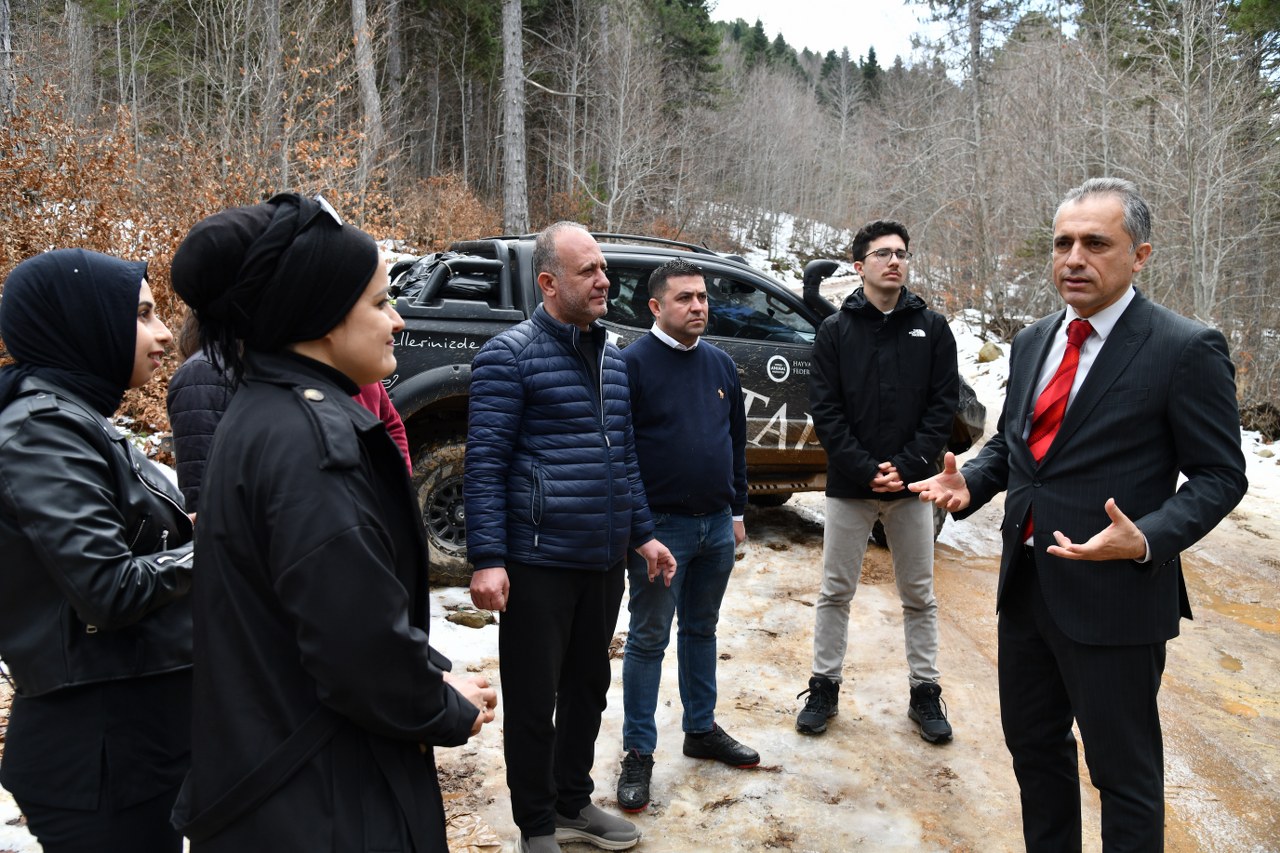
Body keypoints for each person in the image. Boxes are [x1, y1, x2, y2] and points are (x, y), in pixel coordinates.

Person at [910, 177, 1248, 850]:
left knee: (1124, 776)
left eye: (1096, 243)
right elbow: (1016, 447)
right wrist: (969, 483)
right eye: (1063, 242)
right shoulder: (1036, 339)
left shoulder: (1184, 348)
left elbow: (1221, 475)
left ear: (1140, 254)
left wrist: (1147, 537)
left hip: (1116, 600)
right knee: (1035, 754)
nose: (1073, 258)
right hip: (1026, 593)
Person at [167, 193, 497, 851]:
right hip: (318, 798)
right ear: (320, 317)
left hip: (284, 780)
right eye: (379, 302)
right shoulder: (309, 441)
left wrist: (424, 672)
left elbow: (325, 609)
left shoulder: (269, 408)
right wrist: (441, 701)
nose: (397, 321)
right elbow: (353, 648)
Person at [465, 221, 676, 853]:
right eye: (589, 271)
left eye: (604, 268)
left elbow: (624, 460)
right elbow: (485, 465)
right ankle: (535, 825)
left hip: (601, 558)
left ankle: (572, 803)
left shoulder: (612, 356)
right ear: (550, 282)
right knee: (534, 699)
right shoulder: (509, 355)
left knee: (587, 688)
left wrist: (642, 535)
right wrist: (487, 559)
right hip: (537, 562)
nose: (605, 281)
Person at [0, 249, 194, 853]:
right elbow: (107, 590)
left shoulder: (78, 416)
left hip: (132, 737)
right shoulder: (42, 429)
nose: (163, 333)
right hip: (100, 752)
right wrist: (222, 544)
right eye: (142, 314)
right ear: (79, 320)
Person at [795, 219, 960, 744]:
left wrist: (908, 468)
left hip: (912, 487)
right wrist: (866, 468)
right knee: (835, 591)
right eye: (883, 253)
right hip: (850, 484)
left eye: (902, 254)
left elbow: (942, 408)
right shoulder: (835, 332)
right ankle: (824, 687)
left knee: (919, 595)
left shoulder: (932, 329)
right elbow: (826, 411)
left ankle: (925, 694)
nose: (895, 261)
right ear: (859, 264)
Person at [615, 258, 757, 814]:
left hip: (716, 525)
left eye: (702, 297)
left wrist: (738, 510)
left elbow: (736, 443)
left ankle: (700, 729)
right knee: (648, 639)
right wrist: (641, 529)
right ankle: (638, 752)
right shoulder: (633, 366)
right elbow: (620, 456)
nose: (699, 307)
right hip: (661, 531)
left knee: (702, 629)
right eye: (685, 299)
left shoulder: (720, 364)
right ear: (656, 306)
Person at [167, 312, 411, 513]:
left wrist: (395, 493)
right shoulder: (205, 373)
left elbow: (389, 425)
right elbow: (205, 494)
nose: (396, 321)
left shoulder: (285, 363)